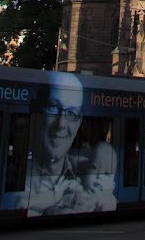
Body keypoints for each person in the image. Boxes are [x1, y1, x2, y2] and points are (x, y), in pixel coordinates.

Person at [17, 75, 117, 217]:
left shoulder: (84, 172)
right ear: (37, 112)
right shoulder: (18, 174)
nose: (61, 124)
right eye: (53, 108)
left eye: (71, 113)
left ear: (79, 121)